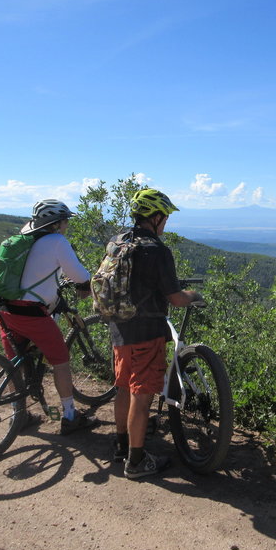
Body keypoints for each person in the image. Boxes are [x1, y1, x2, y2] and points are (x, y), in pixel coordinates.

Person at [108, 188, 202, 480]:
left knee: (124, 386)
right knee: (143, 393)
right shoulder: (157, 250)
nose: (166, 223)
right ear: (156, 216)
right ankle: (136, 462)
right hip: (147, 331)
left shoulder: (116, 241)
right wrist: (193, 296)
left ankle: (122, 446)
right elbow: (174, 298)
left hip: (118, 328)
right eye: (165, 217)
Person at [0, 199, 97, 435]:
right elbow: (79, 274)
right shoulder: (56, 241)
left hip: (6, 310)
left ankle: (18, 415)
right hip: (32, 313)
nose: (66, 226)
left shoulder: (23, 238)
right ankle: (70, 416)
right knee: (61, 360)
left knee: (15, 364)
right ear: (56, 223)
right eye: (65, 221)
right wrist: (85, 284)